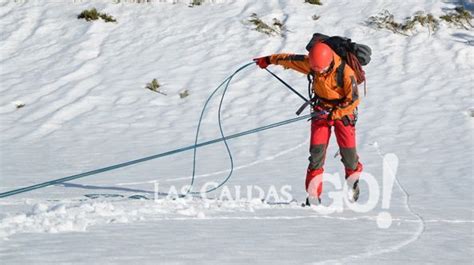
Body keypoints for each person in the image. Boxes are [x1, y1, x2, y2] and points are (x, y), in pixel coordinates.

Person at [254, 42, 363, 205]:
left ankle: (352, 182)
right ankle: (313, 196)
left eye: (322, 70)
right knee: (316, 155)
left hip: (343, 113)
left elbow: (353, 100)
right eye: (316, 70)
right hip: (321, 110)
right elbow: (289, 59)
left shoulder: (346, 73)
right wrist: (269, 60)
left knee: (349, 155)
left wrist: (336, 113)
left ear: (330, 63)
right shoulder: (311, 64)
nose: (318, 73)